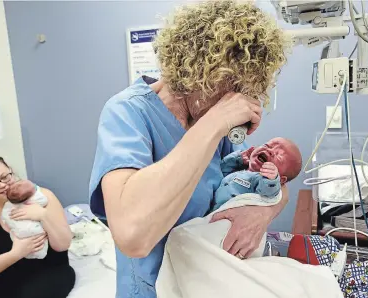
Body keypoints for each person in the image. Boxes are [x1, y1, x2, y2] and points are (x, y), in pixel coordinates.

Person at [89, 1, 289, 297]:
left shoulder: (213, 121)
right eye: (231, 83)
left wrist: (263, 214)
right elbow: (133, 235)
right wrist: (215, 123)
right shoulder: (128, 112)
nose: (237, 97)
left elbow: (274, 184)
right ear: (195, 66)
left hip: (207, 280)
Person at [0, 155, 76, 298]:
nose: (2, 185)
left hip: (48, 271)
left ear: (11, 171)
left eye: (5, 177)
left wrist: (43, 215)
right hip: (5, 274)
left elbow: (63, 245)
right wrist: (16, 254)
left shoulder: (43, 197)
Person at [213, 137, 302, 211]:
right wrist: (237, 159)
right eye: (267, 145)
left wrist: (272, 180)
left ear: (281, 179)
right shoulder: (239, 170)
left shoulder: (261, 182)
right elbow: (220, 171)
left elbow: (269, 193)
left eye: (279, 157)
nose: (270, 151)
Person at [3, 179, 49, 259]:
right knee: (41, 237)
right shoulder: (34, 199)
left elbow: (5, 217)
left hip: (19, 233)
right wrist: (37, 190)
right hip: (35, 230)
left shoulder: (8, 205)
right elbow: (44, 201)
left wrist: (8, 221)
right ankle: (41, 254)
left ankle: (26, 253)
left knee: (14, 233)